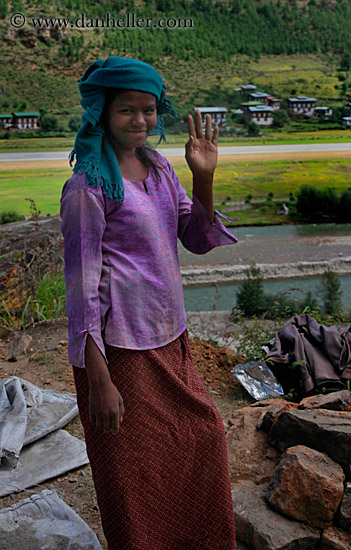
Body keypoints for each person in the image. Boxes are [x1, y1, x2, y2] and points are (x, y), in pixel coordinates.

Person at [60, 56, 238, 550]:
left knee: (202, 439)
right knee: (135, 474)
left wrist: (202, 177)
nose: (140, 120)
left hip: (170, 337)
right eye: (127, 110)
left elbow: (196, 237)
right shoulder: (88, 187)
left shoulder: (159, 169)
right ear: (101, 112)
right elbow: (81, 290)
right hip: (119, 352)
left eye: (149, 109)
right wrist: (99, 381)